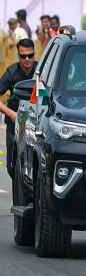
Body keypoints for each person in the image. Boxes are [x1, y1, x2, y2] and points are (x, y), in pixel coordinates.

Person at [0, 39, 37, 181]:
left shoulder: (42, 72)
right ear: (18, 55)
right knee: (12, 166)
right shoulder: (11, 72)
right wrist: (12, 114)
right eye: (23, 56)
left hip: (37, 123)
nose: (27, 59)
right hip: (15, 123)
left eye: (30, 55)